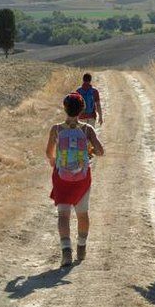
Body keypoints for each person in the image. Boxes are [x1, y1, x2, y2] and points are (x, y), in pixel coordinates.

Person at [46, 92, 104, 267]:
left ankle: (66, 252)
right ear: (82, 109)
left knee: (63, 214)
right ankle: (81, 247)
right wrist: (89, 152)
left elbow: (49, 152)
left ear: (64, 108)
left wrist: (54, 161)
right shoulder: (87, 129)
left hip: (61, 177)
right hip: (82, 177)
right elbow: (101, 151)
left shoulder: (56, 129)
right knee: (82, 213)